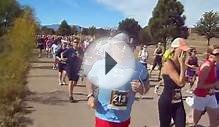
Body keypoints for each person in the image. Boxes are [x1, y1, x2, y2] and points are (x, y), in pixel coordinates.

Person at [86, 33, 150, 127]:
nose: (123, 49)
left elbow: (146, 86)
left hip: (123, 118)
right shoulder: (103, 65)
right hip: (104, 116)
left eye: (126, 46)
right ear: (112, 48)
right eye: (120, 46)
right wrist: (90, 96)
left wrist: (141, 88)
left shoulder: (138, 68)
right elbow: (89, 80)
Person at [158, 38, 189, 127]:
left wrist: (187, 78)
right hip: (166, 100)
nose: (184, 52)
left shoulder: (180, 63)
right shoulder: (168, 63)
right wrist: (182, 65)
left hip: (178, 100)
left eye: (185, 50)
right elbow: (180, 83)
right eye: (182, 49)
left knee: (181, 124)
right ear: (175, 49)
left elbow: (182, 80)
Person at [192, 47, 219, 127]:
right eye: (217, 54)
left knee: (215, 120)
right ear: (210, 55)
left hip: (211, 96)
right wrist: (214, 85)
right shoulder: (206, 66)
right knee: (194, 122)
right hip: (201, 97)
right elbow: (199, 85)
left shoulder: (213, 65)